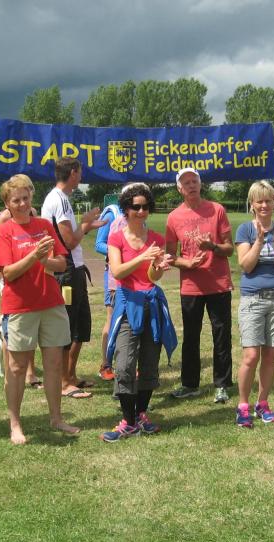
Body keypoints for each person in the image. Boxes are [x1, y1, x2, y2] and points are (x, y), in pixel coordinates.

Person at [0, 174, 79, 443]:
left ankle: (56, 418)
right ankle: (15, 425)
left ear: (31, 198)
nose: (21, 204)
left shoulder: (44, 225)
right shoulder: (5, 231)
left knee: (54, 363)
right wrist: (34, 256)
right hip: (19, 307)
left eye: (25, 198)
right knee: (17, 368)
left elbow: (61, 264)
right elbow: (8, 273)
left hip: (51, 303)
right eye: (15, 200)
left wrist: (44, 261)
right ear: (7, 204)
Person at [101, 183, 176, 441]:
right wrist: (143, 258)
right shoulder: (116, 237)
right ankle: (128, 421)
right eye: (136, 207)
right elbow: (117, 271)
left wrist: (157, 266)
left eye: (145, 207)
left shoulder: (156, 238)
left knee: (149, 363)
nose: (141, 211)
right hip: (126, 302)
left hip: (151, 303)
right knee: (124, 365)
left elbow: (153, 277)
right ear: (126, 208)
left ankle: (141, 415)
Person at [165, 167, 234, 403]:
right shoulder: (173, 217)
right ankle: (189, 384)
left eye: (194, 181)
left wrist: (212, 247)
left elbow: (229, 249)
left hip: (218, 283)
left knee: (221, 335)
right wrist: (187, 262)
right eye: (186, 183)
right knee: (191, 337)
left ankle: (222, 384)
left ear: (200, 184)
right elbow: (170, 255)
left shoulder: (217, 210)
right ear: (179, 189)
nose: (191, 185)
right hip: (191, 286)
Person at [39, 157, 104, 399]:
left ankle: (71, 375)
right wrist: (86, 224)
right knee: (67, 326)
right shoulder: (59, 200)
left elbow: (71, 236)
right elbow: (69, 241)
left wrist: (88, 225)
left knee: (81, 325)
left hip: (74, 270)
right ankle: (64, 382)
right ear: (73, 173)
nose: (81, 176)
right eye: (80, 172)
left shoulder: (61, 198)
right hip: (65, 272)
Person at [233, 181, 274, 428]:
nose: (264, 205)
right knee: (250, 356)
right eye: (259, 201)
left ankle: (263, 403)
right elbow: (246, 265)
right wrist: (259, 241)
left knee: (270, 356)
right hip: (253, 300)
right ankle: (243, 406)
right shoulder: (245, 229)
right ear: (252, 204)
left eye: (268, 200)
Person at [0, 205, 40, 387]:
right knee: (9, 331)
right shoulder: (5, 217)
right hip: (12, 282)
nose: (22, 202)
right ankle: (9, 374)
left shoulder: (33, 213)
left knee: (31, 329)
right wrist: (4, 278)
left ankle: (30, 372)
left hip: (32, 282)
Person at [94, 193, 125, 381]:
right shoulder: (111, 214)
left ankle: (125, 364)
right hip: (114, 274)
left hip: (133, 273)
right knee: (112, 318)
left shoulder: (138, 215)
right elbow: (98, 244)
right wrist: (120, 251)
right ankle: (106, 364)